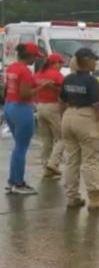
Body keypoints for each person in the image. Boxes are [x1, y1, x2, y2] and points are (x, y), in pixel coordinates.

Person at [60, 48, 99, 210]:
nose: (96, 63)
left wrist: (64, 118)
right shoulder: (91, 81)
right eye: (94, 60)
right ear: (86, 61)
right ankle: (95, 199)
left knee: (72, 160)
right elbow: (98, 106)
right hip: (86, 118)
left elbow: (61, 101)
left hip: (68, 116)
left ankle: (72, 197)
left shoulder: (68, 79)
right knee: (91, 160)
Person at [4, 43, 51, 195]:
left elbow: (10, 87)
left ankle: (12, 181)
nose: (35, 59)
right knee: (22, 147)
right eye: (35, 56)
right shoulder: (25, 71)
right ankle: (19, 183)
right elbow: (25, 94)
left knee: (17, 146)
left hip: (9, 105)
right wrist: (41, 87)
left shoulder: (12, 67)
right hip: (21, 108)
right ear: (29, 56)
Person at [34, 53, 66, 178]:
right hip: (53, 107)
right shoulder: (57, 76)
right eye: (60, 63)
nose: (61, 66)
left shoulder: (38, 74)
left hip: (40, 107)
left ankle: (46, 167)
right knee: (61, 138)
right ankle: (53, 163)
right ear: (55, 63)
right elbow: (63, 92)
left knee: (46, 139)